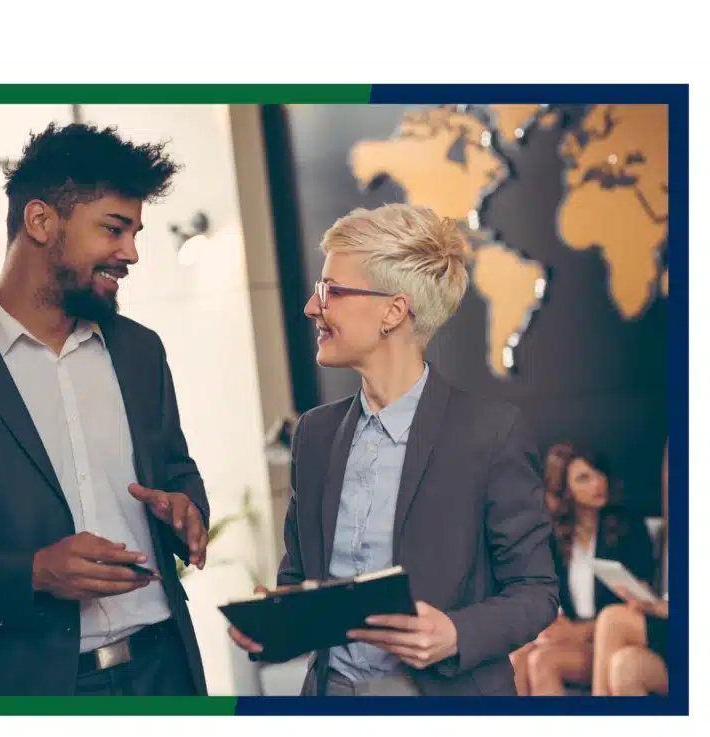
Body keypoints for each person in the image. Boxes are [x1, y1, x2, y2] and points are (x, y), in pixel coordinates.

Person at [228, 203, 559, 696]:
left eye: (331, 290)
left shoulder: (490, 433)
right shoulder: (314, 435)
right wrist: (276, 623)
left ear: (393, 311)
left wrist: (455, 634)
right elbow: (299, 577)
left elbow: (536, 592)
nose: (312, 307)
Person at [0, 122, 210, 696]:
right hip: (30, 688)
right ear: (41, 221)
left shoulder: (141, 350)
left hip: (164, 671)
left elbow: (177, 471)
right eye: (114, 230)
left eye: (135, 232)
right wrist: (34, 573)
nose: (132, 253)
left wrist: (187, 509)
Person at [512, 444, 655, 695]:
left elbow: (640, 602)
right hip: (573, 641)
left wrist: (579, 631)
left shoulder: (628, 529)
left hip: (607, 642)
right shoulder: (555, 538)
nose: (598, 483)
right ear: (565, 490)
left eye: (599, 474)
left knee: (542, 661)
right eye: (584, 478)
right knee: (517, 659)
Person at [591, 442, 669, 696]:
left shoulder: (626, 526)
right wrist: (651, 600)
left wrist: (658, 607)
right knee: (623, 665)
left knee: (611, 619)